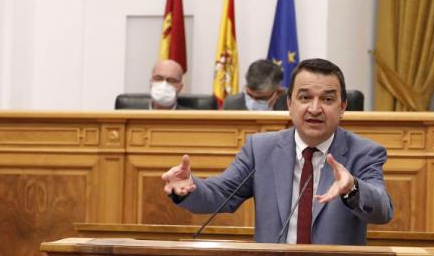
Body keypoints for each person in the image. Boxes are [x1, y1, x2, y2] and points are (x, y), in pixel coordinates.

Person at [161, 58, 393, 244]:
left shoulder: (364, 152)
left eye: (327, 99)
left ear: (342, 107)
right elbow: (220, 194)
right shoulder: (260, 149)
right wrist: (188, 188)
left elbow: (382, 210)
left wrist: (353, 187)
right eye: (304, 98)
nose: (314, 108)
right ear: (289, 103)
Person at [223, 59, 288, 111]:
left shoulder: (290, 104)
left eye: (261, 98)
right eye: (249, 95)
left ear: (278, 92)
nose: (253, 102)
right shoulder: (231, 104)